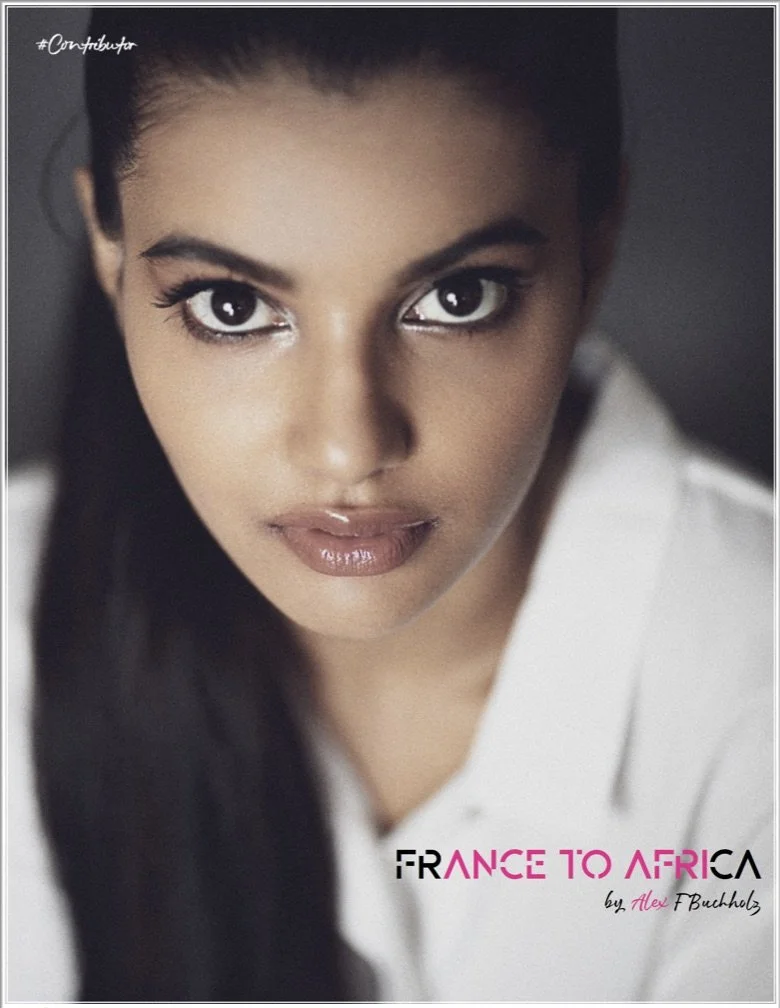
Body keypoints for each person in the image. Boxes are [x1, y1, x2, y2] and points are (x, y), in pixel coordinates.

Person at [7, 7, 773, 1002]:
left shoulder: (752, 706)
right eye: (232, 305)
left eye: (459, 297)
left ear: (597, 248)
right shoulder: (14, 637)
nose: (349, 445)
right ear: (115, 264)